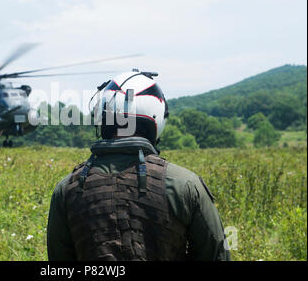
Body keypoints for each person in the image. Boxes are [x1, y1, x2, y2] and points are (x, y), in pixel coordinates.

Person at [47, 70, 231, 261]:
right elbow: (216, 256)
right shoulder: (186, 184)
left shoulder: (67, 189)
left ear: (102, 119)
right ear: (157, 117)